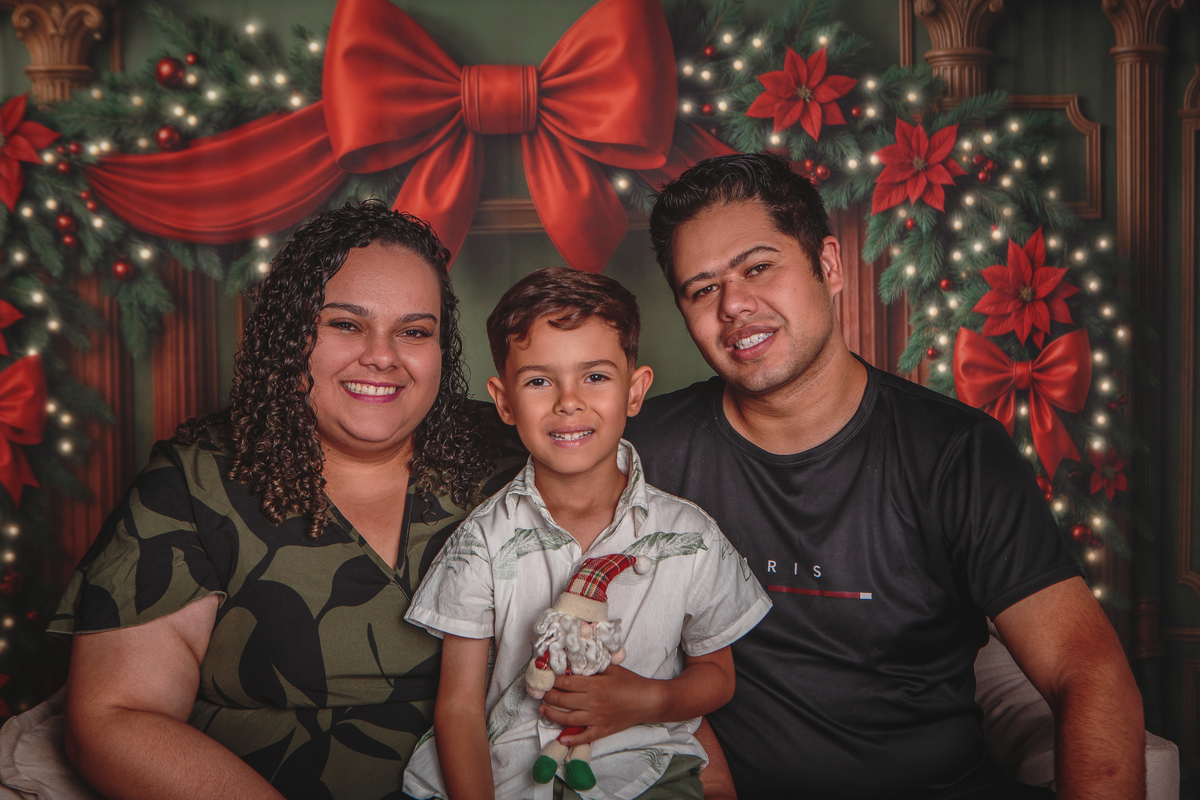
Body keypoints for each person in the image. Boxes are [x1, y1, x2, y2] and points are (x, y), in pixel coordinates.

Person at [536, 153, 1146, 799]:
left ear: (828, 265)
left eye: (758, 267)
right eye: (703, 289)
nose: (735, 304)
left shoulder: (955, 452)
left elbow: (1086, 670)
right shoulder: (639, 454)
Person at [48, 201, 523, 800]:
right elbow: (116, 719)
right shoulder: (197, 481)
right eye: (345, 324)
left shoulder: (516, 459)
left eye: (414, 332)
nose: (383, 356)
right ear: (289, 333)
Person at [401, 268, 770, 800]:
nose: (568, 401)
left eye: (595, 376)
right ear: (504, 401)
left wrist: (647, 700)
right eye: (538, 381)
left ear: (634, 391)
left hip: (645, 774)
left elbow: (717, 674)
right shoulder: (482, 540)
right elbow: (458, 705)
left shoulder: (691, 536)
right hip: (511, 778)